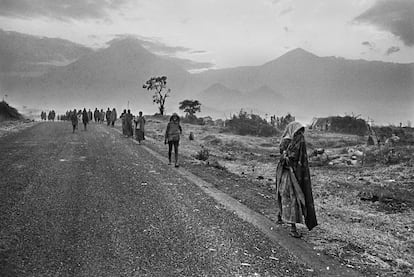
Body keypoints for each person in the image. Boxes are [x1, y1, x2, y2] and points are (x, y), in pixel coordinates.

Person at [275, 121, 317, 238]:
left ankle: (280, 216)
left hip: (288, 173)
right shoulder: (287, 142)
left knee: (286, 197)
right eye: (298, 132)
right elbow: (286, 159)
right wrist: (288, 159)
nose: (300, 135)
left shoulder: (294, 141)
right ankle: (292, 228)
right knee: (291, 198)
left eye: (301, 132)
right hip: (288, 174)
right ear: (293, 130)